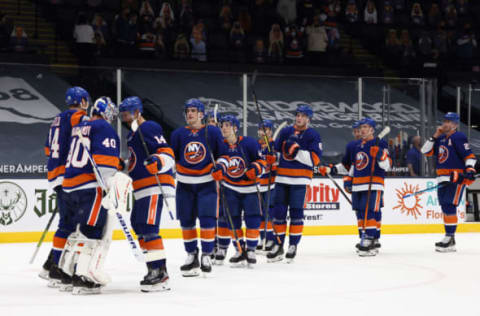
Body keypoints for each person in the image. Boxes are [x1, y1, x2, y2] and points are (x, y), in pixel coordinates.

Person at [60, 97, 122, 294]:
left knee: (76, 231)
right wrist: (109, 187)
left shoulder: (80, 126)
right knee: (92, 230)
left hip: (69, 186)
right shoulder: (104, 128)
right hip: (89, 186)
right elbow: (104, 164)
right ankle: (83, 277)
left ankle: (66, 274)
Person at [119, 96, 175, 292]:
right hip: (141, 188)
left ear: (136, 112)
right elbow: (137, 160)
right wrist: (123, 165)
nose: (125, 119)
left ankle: (159, 273)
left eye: (127, 114)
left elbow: (167, 152)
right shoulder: (132, 135)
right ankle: (154, 267)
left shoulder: (149, 127)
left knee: (149, 227)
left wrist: (159, 162)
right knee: (139, 225)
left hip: (154, 185)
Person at [170, 99, 228, 277]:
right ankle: (191, 254)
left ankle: (206, 255)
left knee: (207, 220)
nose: (190, 114)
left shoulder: (212, 132)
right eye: (188, 110)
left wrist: (221, 167)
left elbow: (224, 154)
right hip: (184, 184)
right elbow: (171, 157)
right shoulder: (178, 134)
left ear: (202, 114)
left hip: (206, 183)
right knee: (186, 221)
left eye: (194, 111)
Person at [39, 87, 90, 287]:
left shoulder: (56, 119)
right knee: (73, 224)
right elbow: (83, 141)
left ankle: (52, 264)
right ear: (84, 101)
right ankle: (58, 268)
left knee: (67, 223)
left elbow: (47, 149)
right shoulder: (78, 116)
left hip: (54, 175)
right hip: (69, 175)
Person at [267, 104, 322, 263]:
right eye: (297, 115)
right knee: (279, 214)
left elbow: (314, 160)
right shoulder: (286, 131)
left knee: (297, 214)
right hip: (282, 178)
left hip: (301, 180)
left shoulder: (313, 135)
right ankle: (278, 245)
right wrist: (273, 158)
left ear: (308, 118)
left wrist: (296, 151)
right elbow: (278, 153)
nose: (299, 118)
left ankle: (293, 245)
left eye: (303, 116)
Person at [421, 112, 477, 252]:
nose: (446, 123)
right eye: (445, 121)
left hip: (455, 178)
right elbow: (424, 151)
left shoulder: (459, 137)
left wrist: (469, 169)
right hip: (442, 178)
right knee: (445, 206)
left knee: (450, 205)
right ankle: (449, 238)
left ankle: (450, 237)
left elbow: (469, 155)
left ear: (455, 124)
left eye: (449, 121)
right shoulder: (440, 138)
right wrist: (435, 135)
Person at [215, 115, 266, 267]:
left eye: (228, 125)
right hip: (230, 189)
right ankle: (239, 249)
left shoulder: (249, 143)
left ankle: (250, 250)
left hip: (250, 189)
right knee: (233, 220)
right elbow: (219, 163)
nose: (224, 128)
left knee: (253, 219)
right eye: (222, 125)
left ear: (235, 128)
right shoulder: (220, 145)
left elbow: (261, 161)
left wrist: (256, 169)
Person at [350, 118, 391, 257]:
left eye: (366, 127)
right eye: (361, 127)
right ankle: (365, 237)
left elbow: (387, 165)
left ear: (372, 130)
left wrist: (380, 155)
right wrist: (346, 177)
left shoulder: (381, 143)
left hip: (373, 183)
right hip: (358, 185)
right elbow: (355, 166)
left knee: (370, 212)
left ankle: (371, 239)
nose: (362, 129)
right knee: (361, 213)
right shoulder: (357, 145)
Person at [256, 119, 277, 253]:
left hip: (271, 184)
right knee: (260, 213)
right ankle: (262, 238)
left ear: (270, 131)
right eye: (261, 129)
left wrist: (273, 160)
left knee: (269, 212)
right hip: (258, 184)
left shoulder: (274, 145)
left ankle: (270, 238)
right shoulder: (255, 145)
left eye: (266, 129)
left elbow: (277, 164)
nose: (263, 132)